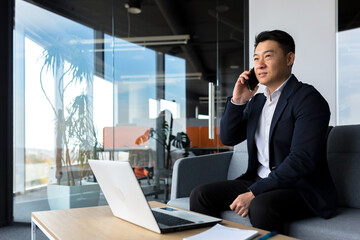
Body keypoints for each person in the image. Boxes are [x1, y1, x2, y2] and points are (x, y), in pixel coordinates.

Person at [189, 30, 338, 231]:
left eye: (268, 56)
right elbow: (228, 137)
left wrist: (254, 192)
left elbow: (302, 159)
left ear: (289, 58)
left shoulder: (308, 99)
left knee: (260, 207)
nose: (259, 64)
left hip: (299, 187)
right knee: (200, 195)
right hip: (259, 179)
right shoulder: (257, 102)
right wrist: (238, 101)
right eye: (256, 58)